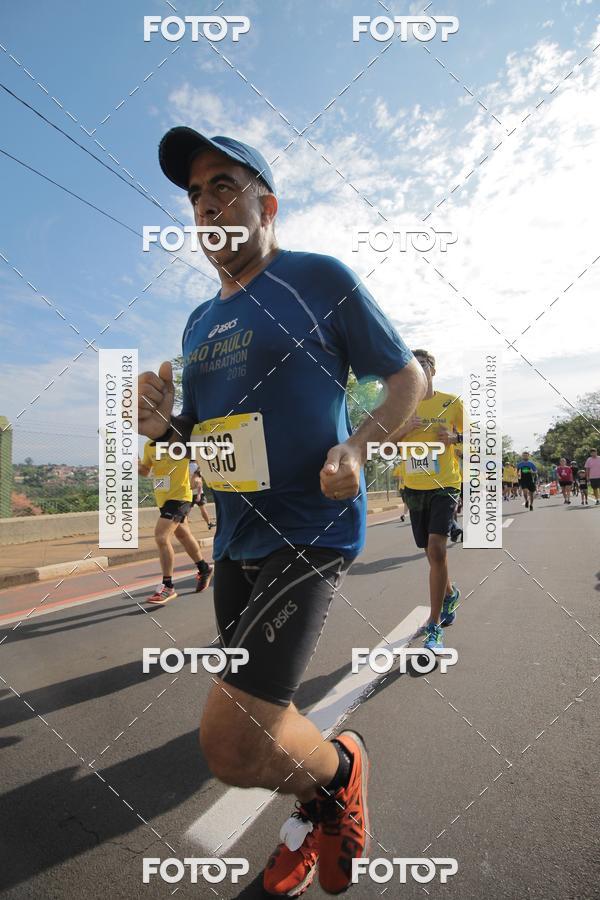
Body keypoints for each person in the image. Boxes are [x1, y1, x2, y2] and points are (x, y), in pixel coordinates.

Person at [138, 127, 426, 897]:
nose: (206, 204)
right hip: (233, 540)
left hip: (310, 527)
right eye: (195, 195)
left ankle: (341, 773)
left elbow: (404, 382)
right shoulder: (198, 323)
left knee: (232, 746)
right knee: (270, 706)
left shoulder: (316, 278)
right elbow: (197, 434)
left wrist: (360, 447)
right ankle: (311, 808)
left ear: (266, 202)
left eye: (222, 185)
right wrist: (160, 422)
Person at [389, 349, 462, 650]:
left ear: (433, 370)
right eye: (412, 367)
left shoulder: (451, 402)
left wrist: (455, 439)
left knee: (437, 548)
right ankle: (449, 593)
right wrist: (404, 429)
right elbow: (386, 444)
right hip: (413, 487)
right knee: (430, 552)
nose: (418, 370)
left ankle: (434, 627)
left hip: (444, 484)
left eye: (423, 365)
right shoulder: (401, 405)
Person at [139, 442, 213, 602]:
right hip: (163, 498)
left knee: (161, 537)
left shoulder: (179, 439)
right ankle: (204, 568)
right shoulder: (149, 445)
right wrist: (135, 465)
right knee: (183, 535)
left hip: (180, 497)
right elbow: (145, 471)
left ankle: (168, 586)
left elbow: (200, 456)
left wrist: (198, 475)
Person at [190, 462, 215, 529]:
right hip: (198, 492)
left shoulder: (185, 466)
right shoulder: (196, 467)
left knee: (186, 511)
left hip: (189, 492)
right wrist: (198, 495)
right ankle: (209, 523)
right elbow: (199, 482)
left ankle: (182, 525)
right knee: (203, 509)